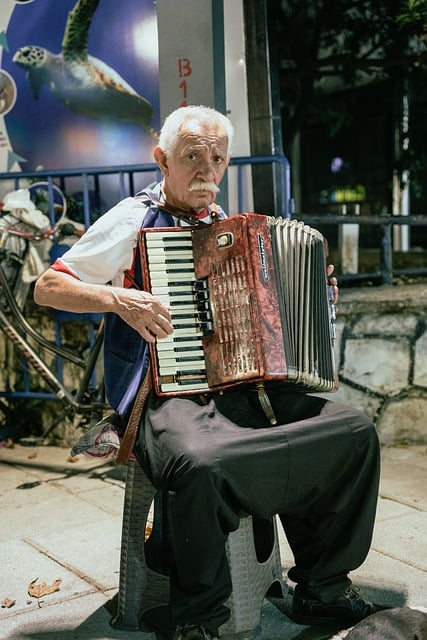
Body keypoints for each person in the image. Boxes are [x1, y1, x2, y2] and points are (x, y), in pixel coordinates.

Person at [34, 105, 386, 640]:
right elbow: (48, 287)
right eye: (192, 156)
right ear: (162, 159)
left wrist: (314, 293)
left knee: (353, 434)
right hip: (163, 392)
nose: (206, 169)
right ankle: (199, 616)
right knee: (200, 462)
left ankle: (323, 587)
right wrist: (119, 298)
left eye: (217, 158)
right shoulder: (134, 220)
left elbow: (270, 321)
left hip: (248, 389)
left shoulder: (232, 230)